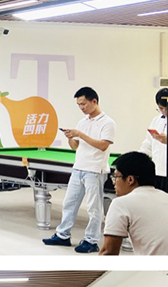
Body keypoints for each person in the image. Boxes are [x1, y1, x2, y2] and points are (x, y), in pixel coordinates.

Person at [43, 87, 116, 253]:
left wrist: (80, 134)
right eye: (79, 105)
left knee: (93, 208)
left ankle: (91, 241)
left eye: (83, 104)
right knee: (69, 203)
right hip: (78, 168)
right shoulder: (82, 122)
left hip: (95, 170)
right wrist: (71, 137)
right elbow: (75, 146)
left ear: (94, 101)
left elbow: (103, 145)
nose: (81, 107)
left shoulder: (108, 123)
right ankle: (62, 235)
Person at [99, 152, 168, 256]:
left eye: (115, 177)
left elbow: (109, 252)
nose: (114, 182)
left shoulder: (120, 203)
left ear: (130, 179)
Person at [141, 87, 168, 194]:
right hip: (157, 171)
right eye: (161, 109)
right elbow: (148, 144)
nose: (165, 112)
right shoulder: (156, 120)